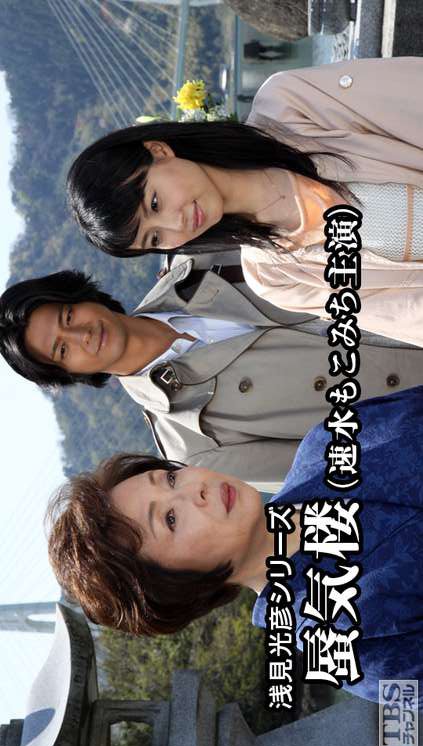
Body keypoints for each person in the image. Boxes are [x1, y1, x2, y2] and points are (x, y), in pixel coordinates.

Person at [46, 386, 423, 707]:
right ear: (179, 586)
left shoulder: (324, 444)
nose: (196, 490)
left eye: (171, 479)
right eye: (170, 520)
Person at [67, 57, 423, 347]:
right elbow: (401, 313)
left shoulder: (287, 107)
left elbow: (410, 100)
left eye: (155, 203)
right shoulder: (271, 275)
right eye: (155, 238)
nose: (176, 224)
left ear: (158, 151)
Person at [3, 268, 423, 486]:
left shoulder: (199, 266)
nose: (81, 335)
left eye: (68, 316)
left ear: (80, 295)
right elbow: (339, 465)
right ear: (70, 374)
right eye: (62, 350)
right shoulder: (191, 444)